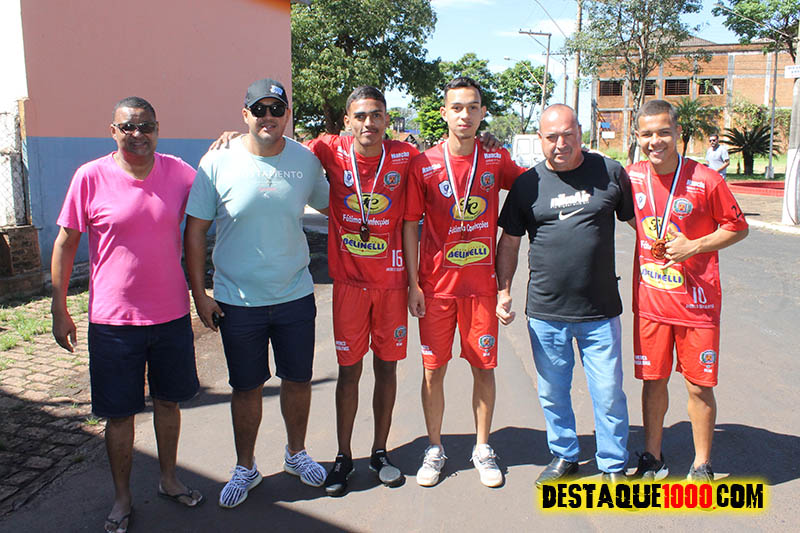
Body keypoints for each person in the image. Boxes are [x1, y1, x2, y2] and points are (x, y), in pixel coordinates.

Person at [51, 96, 203, 533]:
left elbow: (214, 195)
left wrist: (228, 145)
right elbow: (65, 243)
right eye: (128, 127)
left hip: (171, 315)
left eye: (146, 127)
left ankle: (169, 480)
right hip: (113, 322)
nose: (138, 135)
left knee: (169, 403)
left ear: (158, 129)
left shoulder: (179, 173)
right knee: (119, 415)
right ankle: (122, 498)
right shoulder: (90, 176)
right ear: (113, 131)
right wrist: (59, 307)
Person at [183, 78, 330, 508]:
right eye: (260, 109)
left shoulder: (304, 161)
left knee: (297, 380)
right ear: (245, 114)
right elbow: (195, 231)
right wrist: (200, 294)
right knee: (246, 387)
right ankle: (245, 467)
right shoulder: (217, 162)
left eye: (276, 109)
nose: (269, 117)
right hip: (238, 301)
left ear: (287, 115)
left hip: (294, 295)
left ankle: (296, 454)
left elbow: (337, 204)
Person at [496, 104, 634, 487]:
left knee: (608, 392)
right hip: (546, 313)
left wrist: (672, 253)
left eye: (568, 135)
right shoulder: (527, 185)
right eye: (552, 137)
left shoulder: (609, 172)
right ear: (540, 139)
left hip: (600, 312)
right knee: (553, 393)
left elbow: (640, 222)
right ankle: (565, 454)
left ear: (580, 134)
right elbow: (509, 243)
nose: (560, 144)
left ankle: (612, 463)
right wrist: (503, 290)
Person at [403, 77, 525, 488]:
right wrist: (413, 284)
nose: (465, 115)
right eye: (457, 107)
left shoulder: (495, 159)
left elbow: (532, 185)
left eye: (473, 107)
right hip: (437, 289)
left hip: (480, 290)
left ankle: (482, 447)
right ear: (444, 113)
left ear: (482, 112)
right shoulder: (424, 164)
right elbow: (410, 226)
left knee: (483, 369)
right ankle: (435, 448)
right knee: (433, 371)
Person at [304, 86, 417, 495]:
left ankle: (380, 452)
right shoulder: (328, 149)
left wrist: (486, 139)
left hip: (391, 284)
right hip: (349, 285)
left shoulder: (406, 156)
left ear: (387, 119)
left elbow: (451, 157)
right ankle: (343, 456)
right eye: (361, 116)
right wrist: (235, 139)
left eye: (377, 115)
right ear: (347, 121)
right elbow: (278, 146)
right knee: (349, 371)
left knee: (387, 369)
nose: (369, 123)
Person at [627, 99, 748, 482]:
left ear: (678, 133)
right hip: (651, 303)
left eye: (664, 132)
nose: (655, 141)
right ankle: (653, 458)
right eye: (647, 134)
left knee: (698, 386)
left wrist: (694, 246)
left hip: (697, 305)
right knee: (653, 382)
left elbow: (738, 227)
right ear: (637, 136)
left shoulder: (707, 179)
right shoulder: (631, 177)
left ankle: (701, 464)